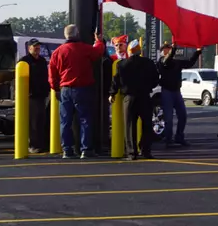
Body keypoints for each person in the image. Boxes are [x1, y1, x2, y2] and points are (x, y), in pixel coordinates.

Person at [48, 25, 106, 159]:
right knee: (85, 120)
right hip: (82, 89)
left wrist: (55, 88)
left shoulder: (57, 52)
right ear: (77, 34)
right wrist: (98, 41)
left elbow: (52, 73)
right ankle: (86, 149)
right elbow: (97, 52)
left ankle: (67, 150)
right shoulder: (84, 48)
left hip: (65, 90)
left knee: (65, 121)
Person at [109, 40, 160, 160]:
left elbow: (116, 80)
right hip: (144, 96)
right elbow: (155, 79)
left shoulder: (121, 64)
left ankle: (132, 153)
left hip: (129, 98)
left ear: (129, 51)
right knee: (147, 125)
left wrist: (112, 93)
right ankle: (146, 150)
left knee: (130, 125)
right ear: (139, 51)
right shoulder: (149, 63)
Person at [158, 42, 202, 147]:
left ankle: (179, 137)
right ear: (162, 52)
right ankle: (168, 139)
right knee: (168, 118)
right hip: (167, 91)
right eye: (166, 49)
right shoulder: (161, 62)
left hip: (177, 92)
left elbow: (190, 63)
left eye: (169, 48)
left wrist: (198, 52)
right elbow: (167, 60)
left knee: (183, 115)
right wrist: (173, 49)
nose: (167, 50)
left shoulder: (176, 62)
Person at [19, 39, 49, 153]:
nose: (37, 48)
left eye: (38, 47)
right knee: (33, 121)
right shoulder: (24, 61)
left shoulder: (42, 60)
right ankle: (33, 145)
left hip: (41, 95)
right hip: (30, 95)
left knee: (41, 120)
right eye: (34, 46)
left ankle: (41, 143)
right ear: (29, 48)